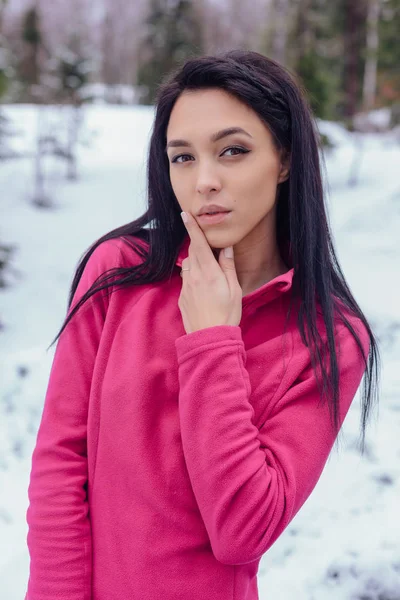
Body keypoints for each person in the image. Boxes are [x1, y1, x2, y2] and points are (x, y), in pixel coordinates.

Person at [24, 50, 380, 600]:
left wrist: (212, 341)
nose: (203, 181)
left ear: (284, 159)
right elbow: (62, 462)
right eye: (182, 158)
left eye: (232, 151)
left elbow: (242, 530)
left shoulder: (330, 337)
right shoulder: (119, 273)